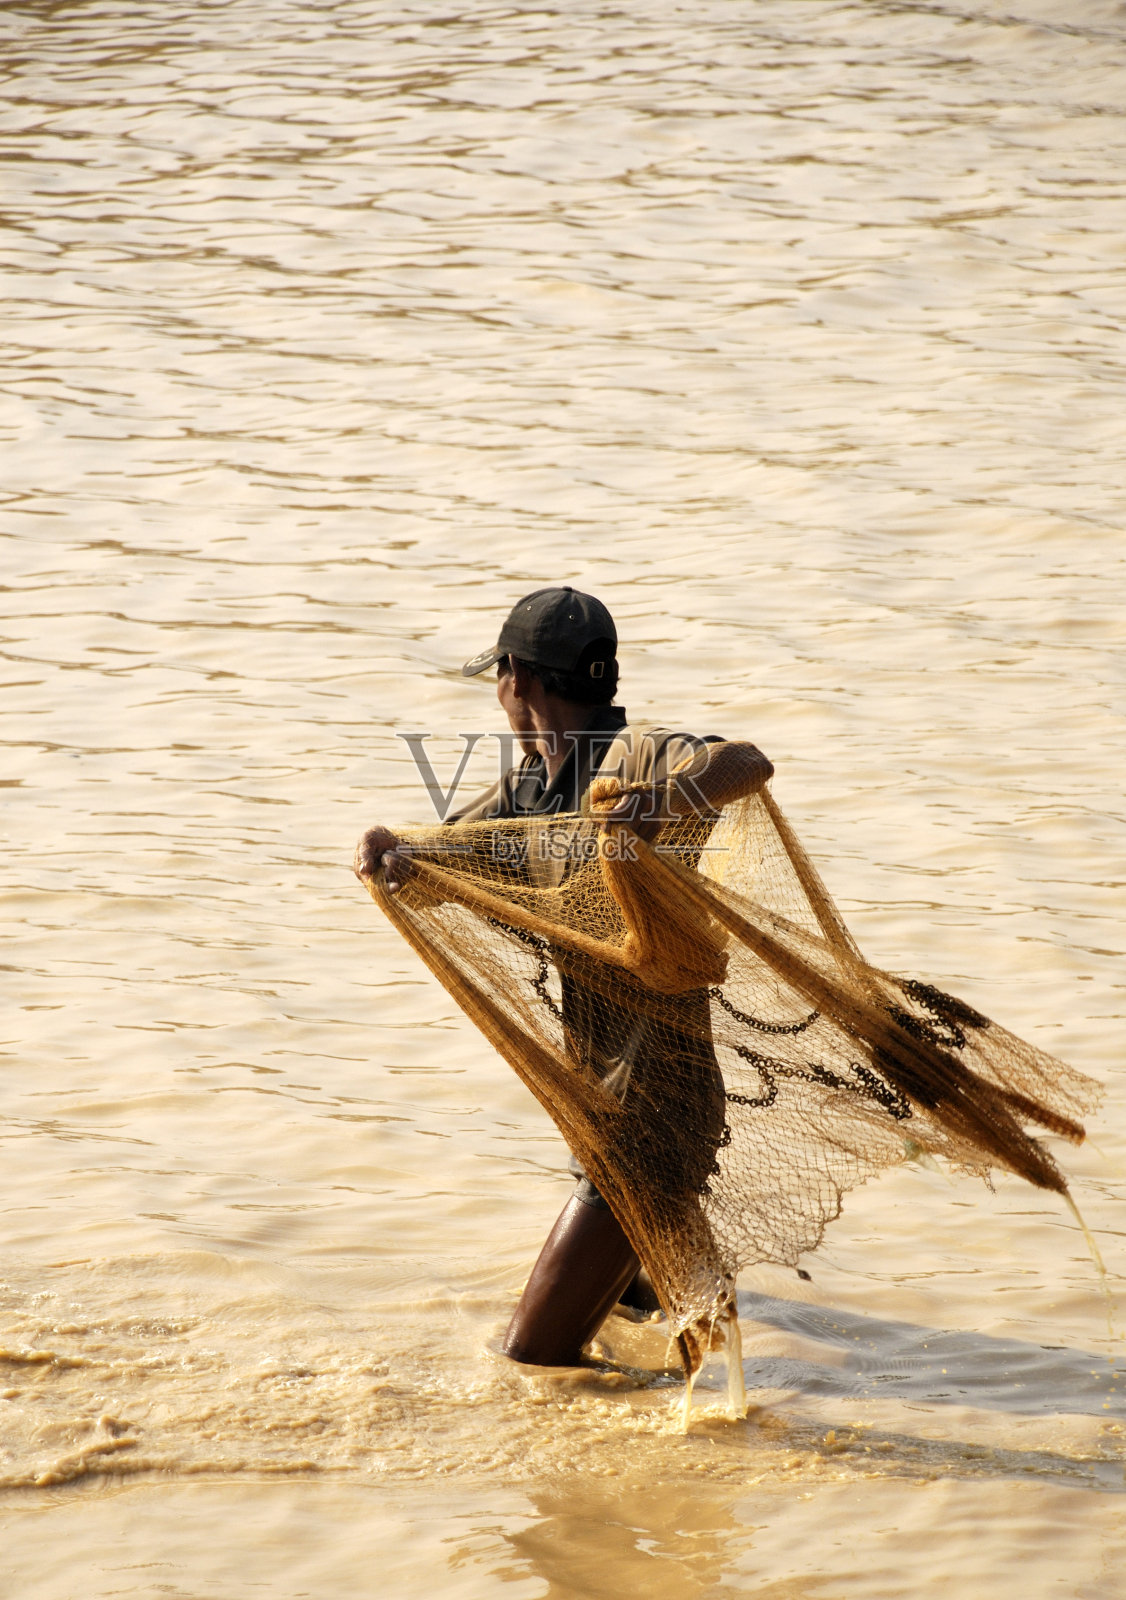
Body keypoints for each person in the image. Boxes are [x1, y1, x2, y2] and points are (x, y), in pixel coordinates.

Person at [354, 586, 773, 1366]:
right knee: (684, 1342)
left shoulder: (639, 760)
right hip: (600, 1104)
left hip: (654, 1118)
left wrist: (662, 805)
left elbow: (747, 761)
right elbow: (444, 854)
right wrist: (390, 851)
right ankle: (715, 1461)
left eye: (502, 680)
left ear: (520, 678)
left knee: (532, 1359)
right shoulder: (528, 789)